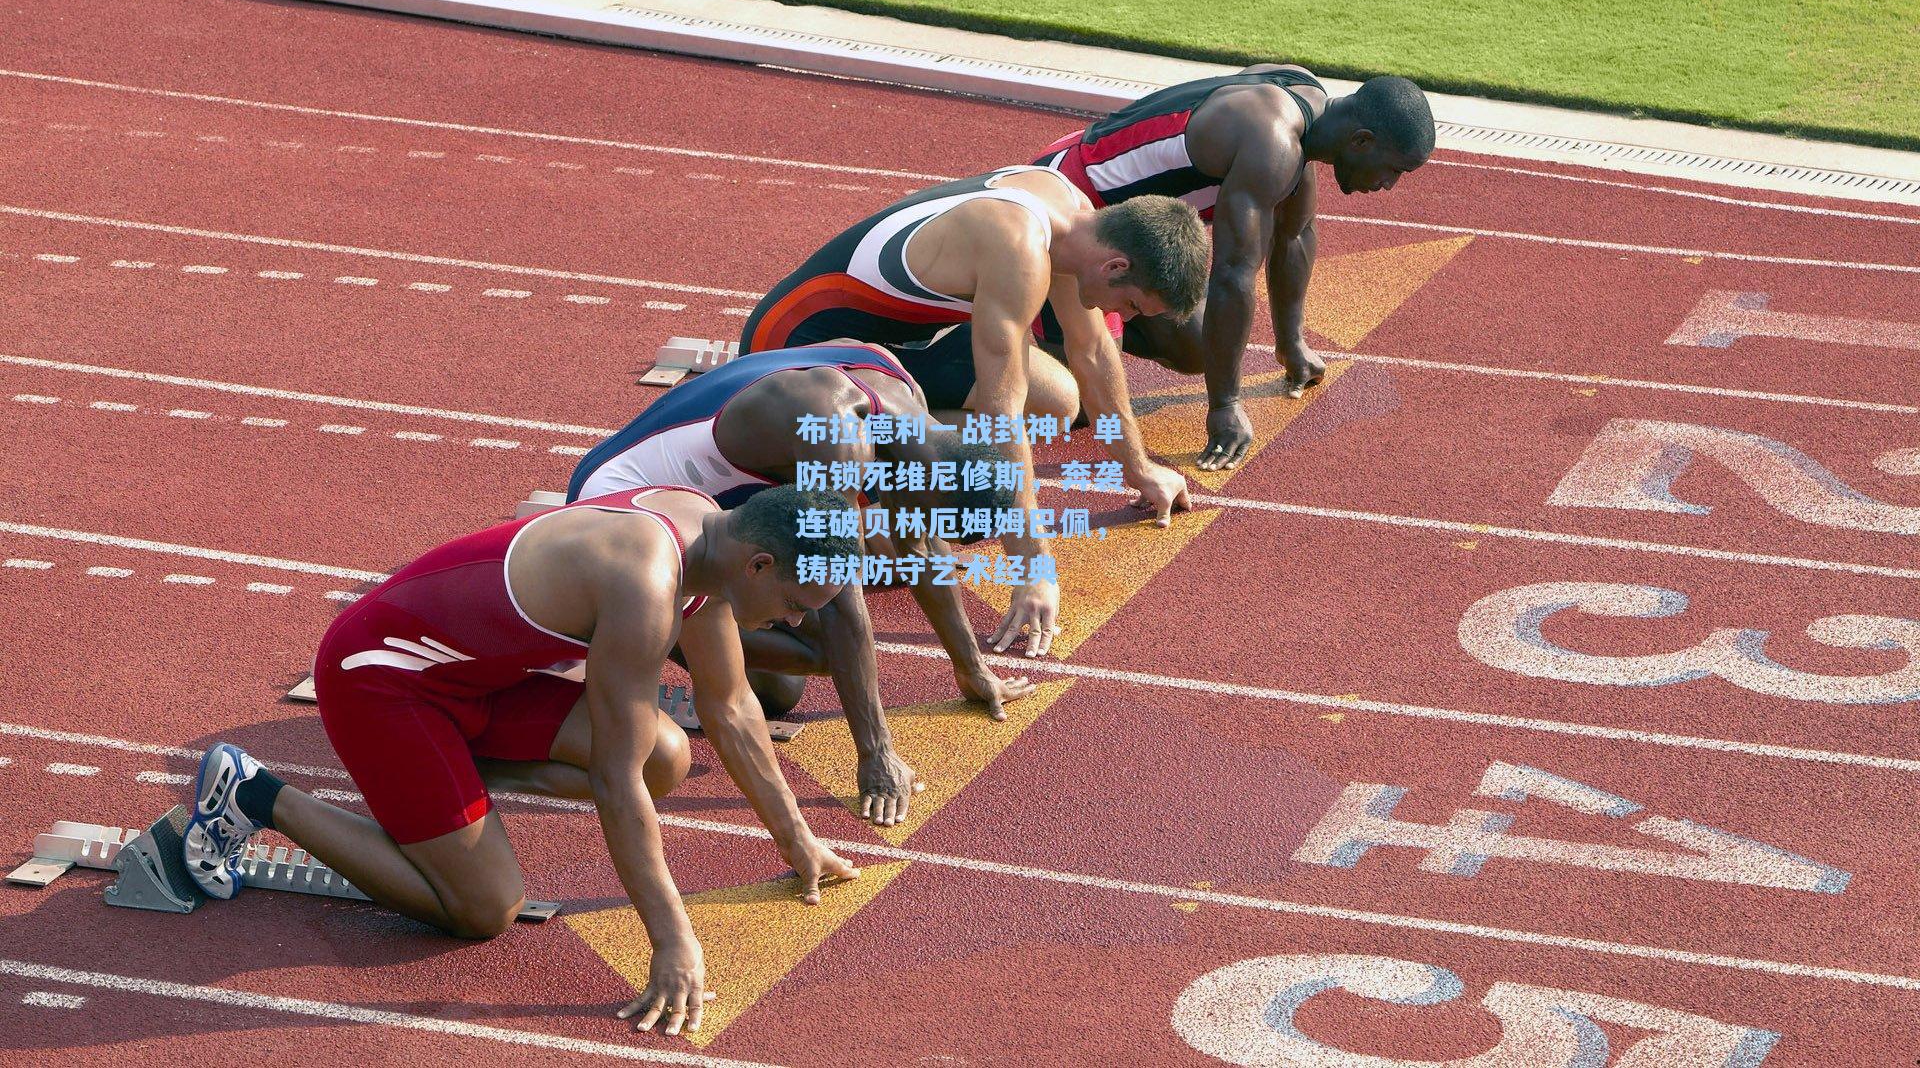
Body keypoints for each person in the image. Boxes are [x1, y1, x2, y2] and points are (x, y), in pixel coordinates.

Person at [182, 484, 861, 1038]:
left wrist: (797, 842)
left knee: (667, 754)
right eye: (799, 606)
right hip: (382, 680)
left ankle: (436, 794)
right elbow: (613, 781)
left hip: (473, 683)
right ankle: (255, 794)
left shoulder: (709, 537)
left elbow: (734, 706)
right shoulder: (646, 583)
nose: (797, 625)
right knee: (485, 908)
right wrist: (672, 940)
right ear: (761, 565)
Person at [740, 164, 1210, 655]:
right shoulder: (1019, 249)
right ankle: (865, 486)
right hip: (791, 350)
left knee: (1057, 401)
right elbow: (999, 416)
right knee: (904, 538)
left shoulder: (1076, 220)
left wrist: (1138, 467)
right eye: (1132, 306)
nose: (1125, 318)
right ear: (1115, 267)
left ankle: (890, 465)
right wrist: (1031, 569)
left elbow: (1091, 352)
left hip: (885, 341)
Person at [568, 340, 1035, 827]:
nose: (920, 530)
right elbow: (839, 601)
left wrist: (973, 669)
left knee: (789, 683)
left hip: (702, 507)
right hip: (619, 504)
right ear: (930, 483)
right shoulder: (837, 441)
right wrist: (876, 755)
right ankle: (643, 636)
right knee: (812, 660)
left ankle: (681, 633)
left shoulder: (906, 406)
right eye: (929, 517)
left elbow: (918, 548)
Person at [1034, 70, 1435, 470]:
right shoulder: (1272, 143)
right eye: (1393, 170)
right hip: (1071, 206)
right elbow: (1232, 274)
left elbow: (1294, 233)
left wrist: (1291, 343)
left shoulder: (1305, 103)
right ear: (1361, 140)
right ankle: (1013, 323)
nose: (1388, 185)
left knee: (1197, 343)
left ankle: (1081, 326)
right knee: (1074, 406)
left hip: (1116, 224)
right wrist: (1225, 405)